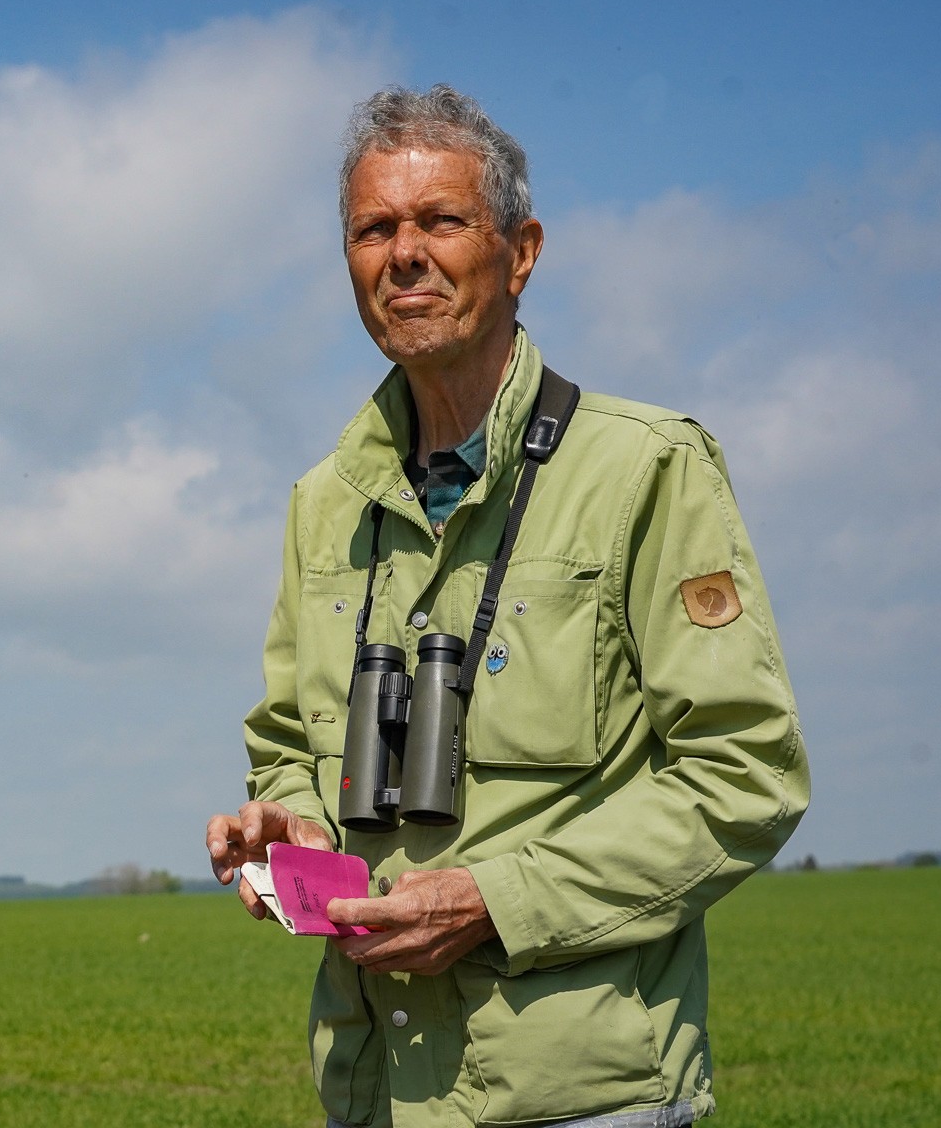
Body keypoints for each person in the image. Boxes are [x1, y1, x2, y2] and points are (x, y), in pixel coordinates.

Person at [204, 85, 808, 1128]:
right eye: (372, 230)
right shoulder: (322, 504)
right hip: (377, 1092)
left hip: (584, 1099)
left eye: (441, 220)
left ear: (520, 253)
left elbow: (744, 774)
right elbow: (286, 746)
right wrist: (287, 825)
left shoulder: (644, 468)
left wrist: (495, 901)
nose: (404, 254)